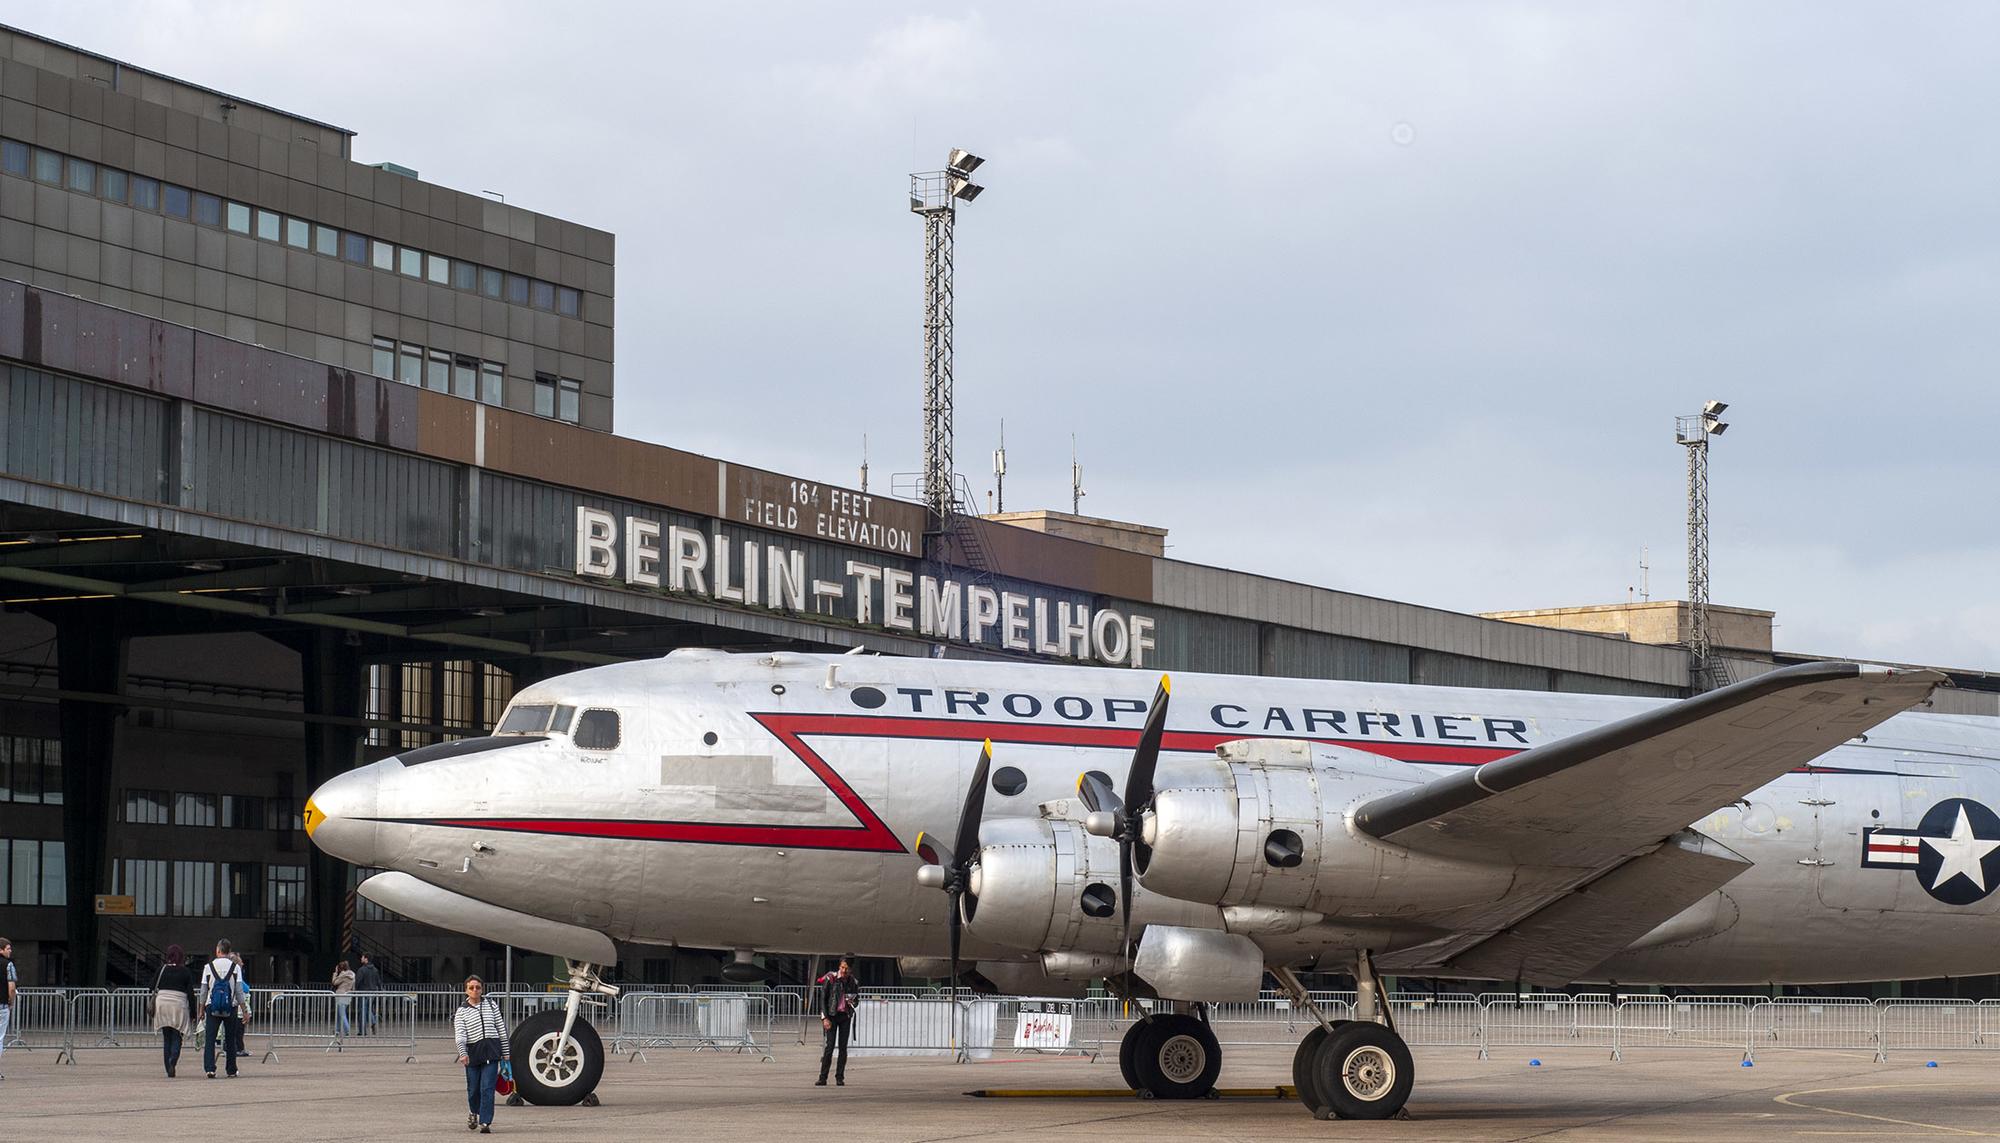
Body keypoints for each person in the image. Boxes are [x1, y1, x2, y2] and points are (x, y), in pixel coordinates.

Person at [454, 975, 511, 1133]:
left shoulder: (492, 1005)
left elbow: (501, 1029)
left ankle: (485, 1121)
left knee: (487, 1088)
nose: (475, 990)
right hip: (473, 1053)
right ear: (466, 990)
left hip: (491, 1053)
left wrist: (506, 1053)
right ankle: (473, 1112)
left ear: (482, 989)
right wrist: (463, 1053)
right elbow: (460, 1034)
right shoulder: (462, 1012)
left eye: (478, 987)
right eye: (471, 988)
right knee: (473, 1089)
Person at [198, 938, 248, 1078]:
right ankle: (231, 1069)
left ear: (218, 950)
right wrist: (244, 1010)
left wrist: (201, 1009)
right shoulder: (235, 967)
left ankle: (210, 1068)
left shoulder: (208, 967)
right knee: (230, 1039)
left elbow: (203, 990)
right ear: (229, 951)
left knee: (210, 1038)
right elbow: (239, 991)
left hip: (211, 1006)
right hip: (230, 1007)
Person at [151, 944, 198, 1077]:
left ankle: (168, 1067)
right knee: (177, 1036)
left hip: (162, 1005)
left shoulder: (161, 969)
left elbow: (151, 986)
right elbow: (190, 994)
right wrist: (193, 1013)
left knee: (167, 1037)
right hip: (178, 1005)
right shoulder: (185, 972)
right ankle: (173, 1061)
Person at [814, 957, 860, 1087]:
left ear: (851, 969)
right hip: (832, 1015)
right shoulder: (831, 978)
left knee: (843, 1048)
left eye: (846, 968)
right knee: (829, 1047)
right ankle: (823, 1077)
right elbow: (823, 999)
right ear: (839, 967)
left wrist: (853, 1002)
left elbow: (857, 1001)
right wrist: (825, 1018)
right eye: (842, 967)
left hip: (845, 1016)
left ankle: (840, 1077)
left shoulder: (853, 982)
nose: (844, 970)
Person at [354, 952, 384, 1035]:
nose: (361, 959)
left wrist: (355, 990)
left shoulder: (361, 970)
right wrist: (380, 991)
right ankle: (373, 1021)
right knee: (367, 1009)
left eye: (362, 957)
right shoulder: (375, 970)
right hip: (373, 992)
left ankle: (362, 1031)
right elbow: (378, 982)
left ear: (366, 959)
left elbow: (358, 981)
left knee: (362, 1011)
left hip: (363, 992)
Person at [0, 936, 15, 1082]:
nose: (10, 951)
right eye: (8, 949)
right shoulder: (8, 965)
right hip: (2, 1006)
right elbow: (11, 987)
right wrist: (11, 1001)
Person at [331, 960, 356, 1037]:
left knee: (342, 1014)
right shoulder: (352, 975)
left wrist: (335, 974)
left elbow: (334, 982)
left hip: (341, 995)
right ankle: (337, 1030)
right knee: (340, 1014)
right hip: (348, 995)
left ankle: (347, 1030)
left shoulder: (342, 975)